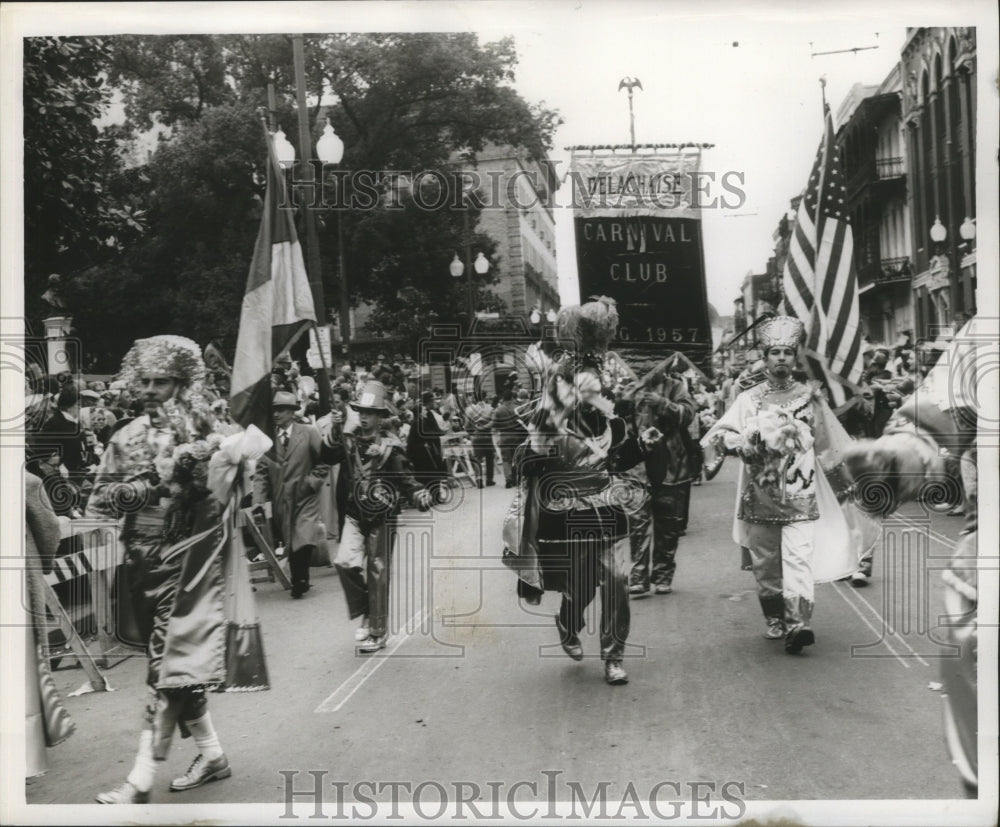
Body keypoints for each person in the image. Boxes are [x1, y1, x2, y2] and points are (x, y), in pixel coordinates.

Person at [87, 336, 238, 803]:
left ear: (182, 382)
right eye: (146, 381)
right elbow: (99, 502)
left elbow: (232, 494)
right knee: (179, 669)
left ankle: (140, 779)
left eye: (163, 381)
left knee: (166, 666)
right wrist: (140, 490)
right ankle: (212, 755)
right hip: (142, 562)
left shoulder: (205, 431)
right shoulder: (125, 436)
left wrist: (200, 472)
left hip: (188, 561)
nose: (152, 389)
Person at [701, 316, 878, 654]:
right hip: (760, 496)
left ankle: (799, 624)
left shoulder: (810, 399)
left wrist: (849, 485)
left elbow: (829, 445)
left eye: (787, 352)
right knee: (767, 564)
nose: (781, 358)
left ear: (795, 358)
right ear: (765, 358)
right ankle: (775, 619)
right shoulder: (749, 399)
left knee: (799, 558)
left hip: (801, 495)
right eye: (775, 352)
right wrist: (745, 441)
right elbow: (720, 436)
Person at [502, 297, 636, 685]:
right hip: (570, 496)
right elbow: (543, 436)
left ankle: (614, 655)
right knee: (579, 582)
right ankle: (568, 622)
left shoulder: (614, 373)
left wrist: (635, 441)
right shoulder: (563, 375)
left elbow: (625, 431)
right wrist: (561, 438)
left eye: (600, 343)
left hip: (609, 492)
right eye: (590, 342)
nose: (596, 350)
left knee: (617, 578)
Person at [325, 381, 432, 652]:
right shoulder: (347, 439)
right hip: (353, 514)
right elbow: (325, 455)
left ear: (380, 417)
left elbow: (405, 478)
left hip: (381, 515)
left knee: (377, 571)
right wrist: (335, 430)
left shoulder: (390, 447)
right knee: (344, 562)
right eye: (360, 411)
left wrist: (418, 493)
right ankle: (367, 610)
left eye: (370, 412)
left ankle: (378, 631)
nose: (363, 416)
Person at [619, 363, 698, 596]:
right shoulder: (631, 388)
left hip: (671, 465)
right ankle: (638, 576)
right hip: (638, 467)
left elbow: (688, 415)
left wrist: (662, 403)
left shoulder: (676, 387)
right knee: (638, 523)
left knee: (668, 524)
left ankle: (663, 574)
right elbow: (619, 423)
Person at [252, 391, 330, 598]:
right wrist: (258, 501)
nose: (276, 414)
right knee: (290, 538)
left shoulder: (309, 432)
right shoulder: (266, 439)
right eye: (274, 410)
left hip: (305, 495)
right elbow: (260, 473)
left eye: (281, 410)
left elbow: (323, 462)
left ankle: (300, 579)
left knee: (302, 536)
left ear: (292, 412)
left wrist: (311, 482)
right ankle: (300, 578)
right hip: (281, 500)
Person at [406, 390, 449, 499]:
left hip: (430, 450)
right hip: (425, 452)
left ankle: (435, 495)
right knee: (430, 474)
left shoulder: (425, 417)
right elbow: (428, 434)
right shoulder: (419, 422)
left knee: (433, 473)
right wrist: (440, 433)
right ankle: (431, 496)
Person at [491, 390, 528, 487]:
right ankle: (516, 479)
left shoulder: (498, 410)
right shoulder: (518, 408)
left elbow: (494, 425)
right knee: (516, 458)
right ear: (512, 398)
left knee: (505, 460)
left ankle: (508, 479)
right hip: (517, 436)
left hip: (504, 437)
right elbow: (524, 422)